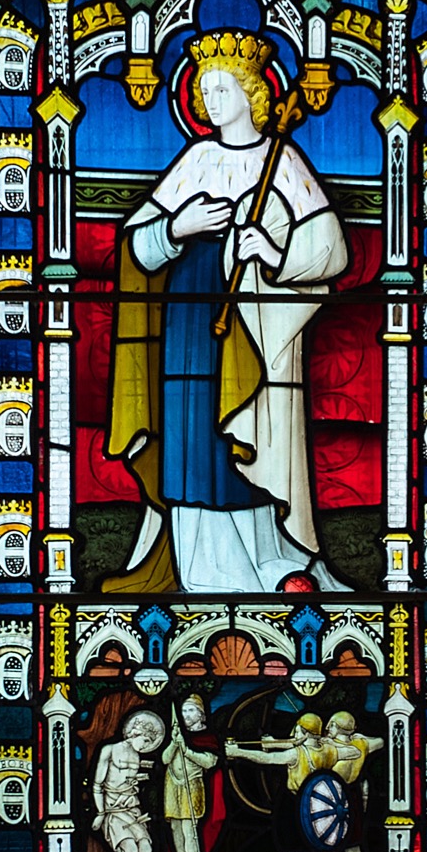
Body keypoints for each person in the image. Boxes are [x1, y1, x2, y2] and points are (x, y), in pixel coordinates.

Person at [104, 30, 350, 594]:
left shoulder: (282, 162)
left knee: (246, 444)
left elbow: (332, 246)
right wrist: (177, 227)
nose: (210, 99)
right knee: (193, 440)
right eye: (204, 90)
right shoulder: (196, 160)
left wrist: (272, 251)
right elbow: (136, 246)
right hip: (192, 326)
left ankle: (269, 564)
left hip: (256, 332)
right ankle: (200, 569)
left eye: (221, 87)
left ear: (252, 92)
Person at [226, 711, 354, 852]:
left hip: (294, 812)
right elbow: (351, 751)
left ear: (302, 731)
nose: (293, 732)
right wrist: (320, 741)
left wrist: (237, 751)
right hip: (319, 813)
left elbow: (266, 759)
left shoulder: (297, 754)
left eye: (297, 729)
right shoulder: (330, 751)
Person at [90, 709, 165, 852]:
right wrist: (101, 812)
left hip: (132, 809)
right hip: (112, 810)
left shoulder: (137, 755)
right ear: (134, 732)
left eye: (150, 741)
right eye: (144, 740)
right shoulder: (109, 750)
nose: (146, 745)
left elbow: (130, 783)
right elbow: (97, 784)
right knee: (130, 850)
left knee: (146, 849)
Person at [325, 710, 385, 852]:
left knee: (315, 848)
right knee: (353, 849)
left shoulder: (330, 747)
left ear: (338, 727)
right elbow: (380, 741)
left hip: (330, 800)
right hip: (353, 797)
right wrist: (358, 737)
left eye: (331, 725)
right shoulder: (361, 745)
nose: (327, 729)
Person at [162, 695, 217, 852]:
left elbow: (210, 762)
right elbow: (165, 759)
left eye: (191, 710)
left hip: (191, 785)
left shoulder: (206, 737)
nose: (186, 715)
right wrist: (175, 744)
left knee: (189, 831)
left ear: (201, 714)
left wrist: (186, 750)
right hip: (172, 786)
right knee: (176, 830)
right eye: (184, 711)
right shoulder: (177, 735)